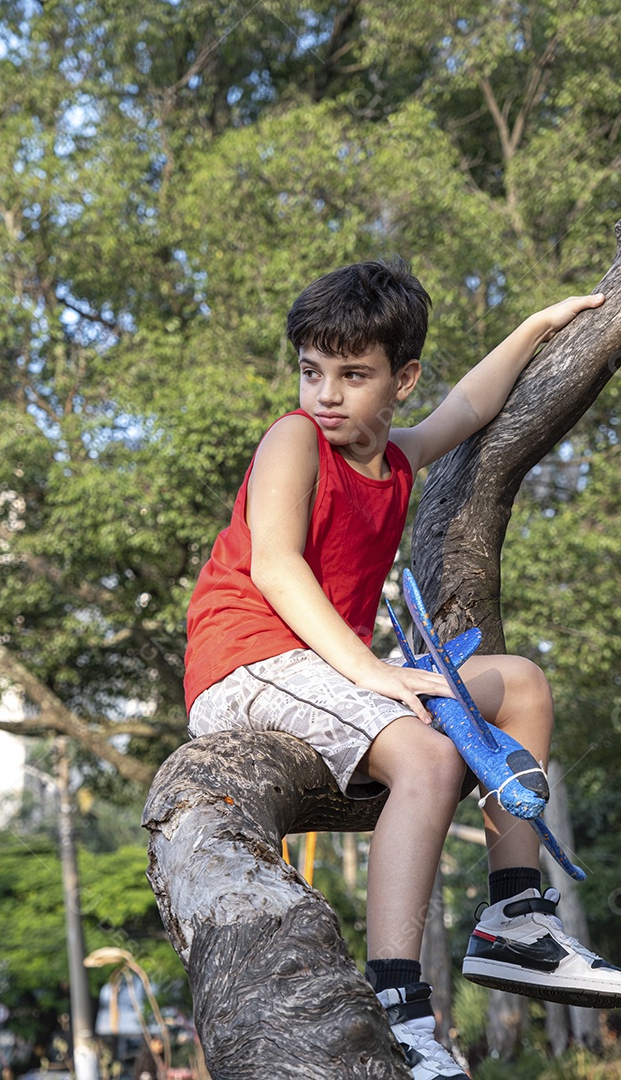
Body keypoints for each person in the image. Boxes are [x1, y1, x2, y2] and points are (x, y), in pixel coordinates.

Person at [183, 259, 621, 1079]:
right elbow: (275, 565)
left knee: (522, 685)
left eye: (354, 376)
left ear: (402, 380)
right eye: (312, 371)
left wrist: (537, 325)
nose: (327, 394)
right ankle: (401, 1009)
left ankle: (515, 917)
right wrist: (369, 669)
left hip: (325, 669)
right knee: (426, 754)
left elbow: (470, 407)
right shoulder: (294, 439)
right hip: (246, 662)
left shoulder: (397, 460)